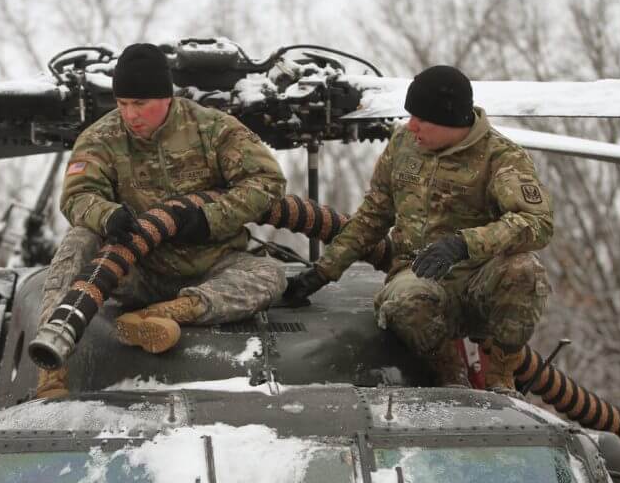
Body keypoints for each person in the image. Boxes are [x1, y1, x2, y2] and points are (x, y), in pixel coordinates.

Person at [35, 43, 288, 397]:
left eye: (140, 104)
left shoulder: (212, 129)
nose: (130, 114)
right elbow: (76, 196)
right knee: (79, 238)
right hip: (137, 269)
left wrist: (208, 218)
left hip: (212, 265)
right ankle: (52, 363)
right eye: (122, 103)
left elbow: (268, 181)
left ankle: (170, 312)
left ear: (166, 98)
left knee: (271, 275)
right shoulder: (101, 138)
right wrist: (107, 216)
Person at [284, 65, 553, 391]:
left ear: (451, 121)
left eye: (422, 120)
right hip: (420, 276)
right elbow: (373, 215)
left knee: (526, 270)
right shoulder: (403, 145)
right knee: (405, 300)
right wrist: (323, 272)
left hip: (480, 282)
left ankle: (500, 376)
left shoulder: (501, 158)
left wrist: (464, 244)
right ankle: (450, 375)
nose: (411, 126)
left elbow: (537, 222)